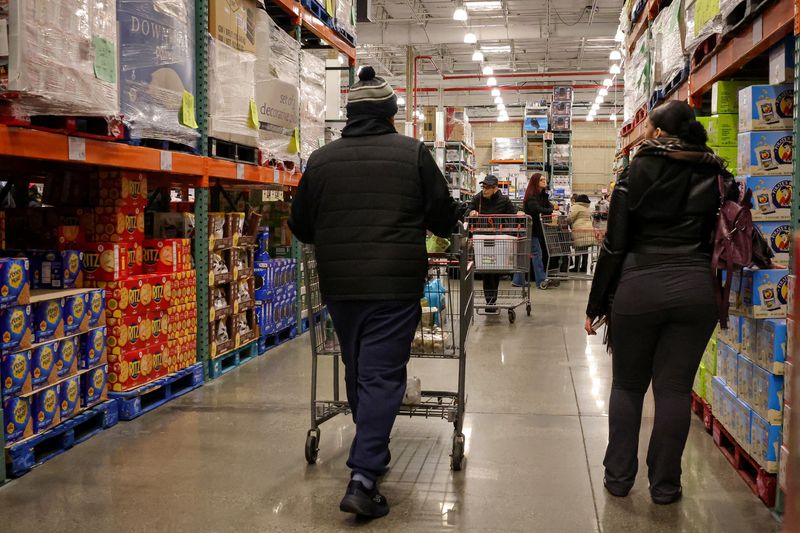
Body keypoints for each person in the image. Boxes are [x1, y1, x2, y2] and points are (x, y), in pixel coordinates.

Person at [288, 66, 460, 519]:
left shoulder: (321, 160)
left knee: (359, 367)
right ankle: (363, 479)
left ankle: (373, 454)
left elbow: (300, 224)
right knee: (382, 375)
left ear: (350, 115)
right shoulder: (413, 154)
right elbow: (443, 217)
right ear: (389, 114)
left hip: (340, 286)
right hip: (394, 284)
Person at [584, 100, 736, 505]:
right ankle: (665, 485)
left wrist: (595, 304)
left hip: (639, 286)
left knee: (628, 385)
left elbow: (614, 245)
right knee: (674, 389)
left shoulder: (637, 171)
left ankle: (619, 477)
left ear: (658, 132)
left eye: (648, 126)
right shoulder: (717, 172)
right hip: (697, 288)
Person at [468, 174, 517, 311]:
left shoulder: (504, 200)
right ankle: (490, 301)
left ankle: (491, 300)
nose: (484, 190)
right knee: (487, 270)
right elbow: (468, 211)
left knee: (495, 271)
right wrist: (471, 212)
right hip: (482, 240)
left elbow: (513, 214)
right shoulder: (478, 198)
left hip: (498, 240)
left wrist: (518, 214)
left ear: (495, 188)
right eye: (483, 187)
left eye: (488, 188)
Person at [523, 173, 554, 289]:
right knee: (537, 254)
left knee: (524, 254)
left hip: (536, 229)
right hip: (530, 229)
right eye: (541, 180)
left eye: (545, 179)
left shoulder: (542, 195)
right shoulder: (531, 196)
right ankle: (541, 280)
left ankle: (518, 280)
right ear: (535, 182)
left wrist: (548, 209)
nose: (544, 181)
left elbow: (550, 206)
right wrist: (549, 210)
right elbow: (536, 209)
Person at [568, 194, 594, 273]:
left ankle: (576, 267)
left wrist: (567, 222)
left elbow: (570, 218)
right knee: (585, 249)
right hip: (589, 231)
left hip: (579, 231)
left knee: (578, 249)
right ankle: (584, 267)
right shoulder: (588, 208)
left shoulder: (576, 207)